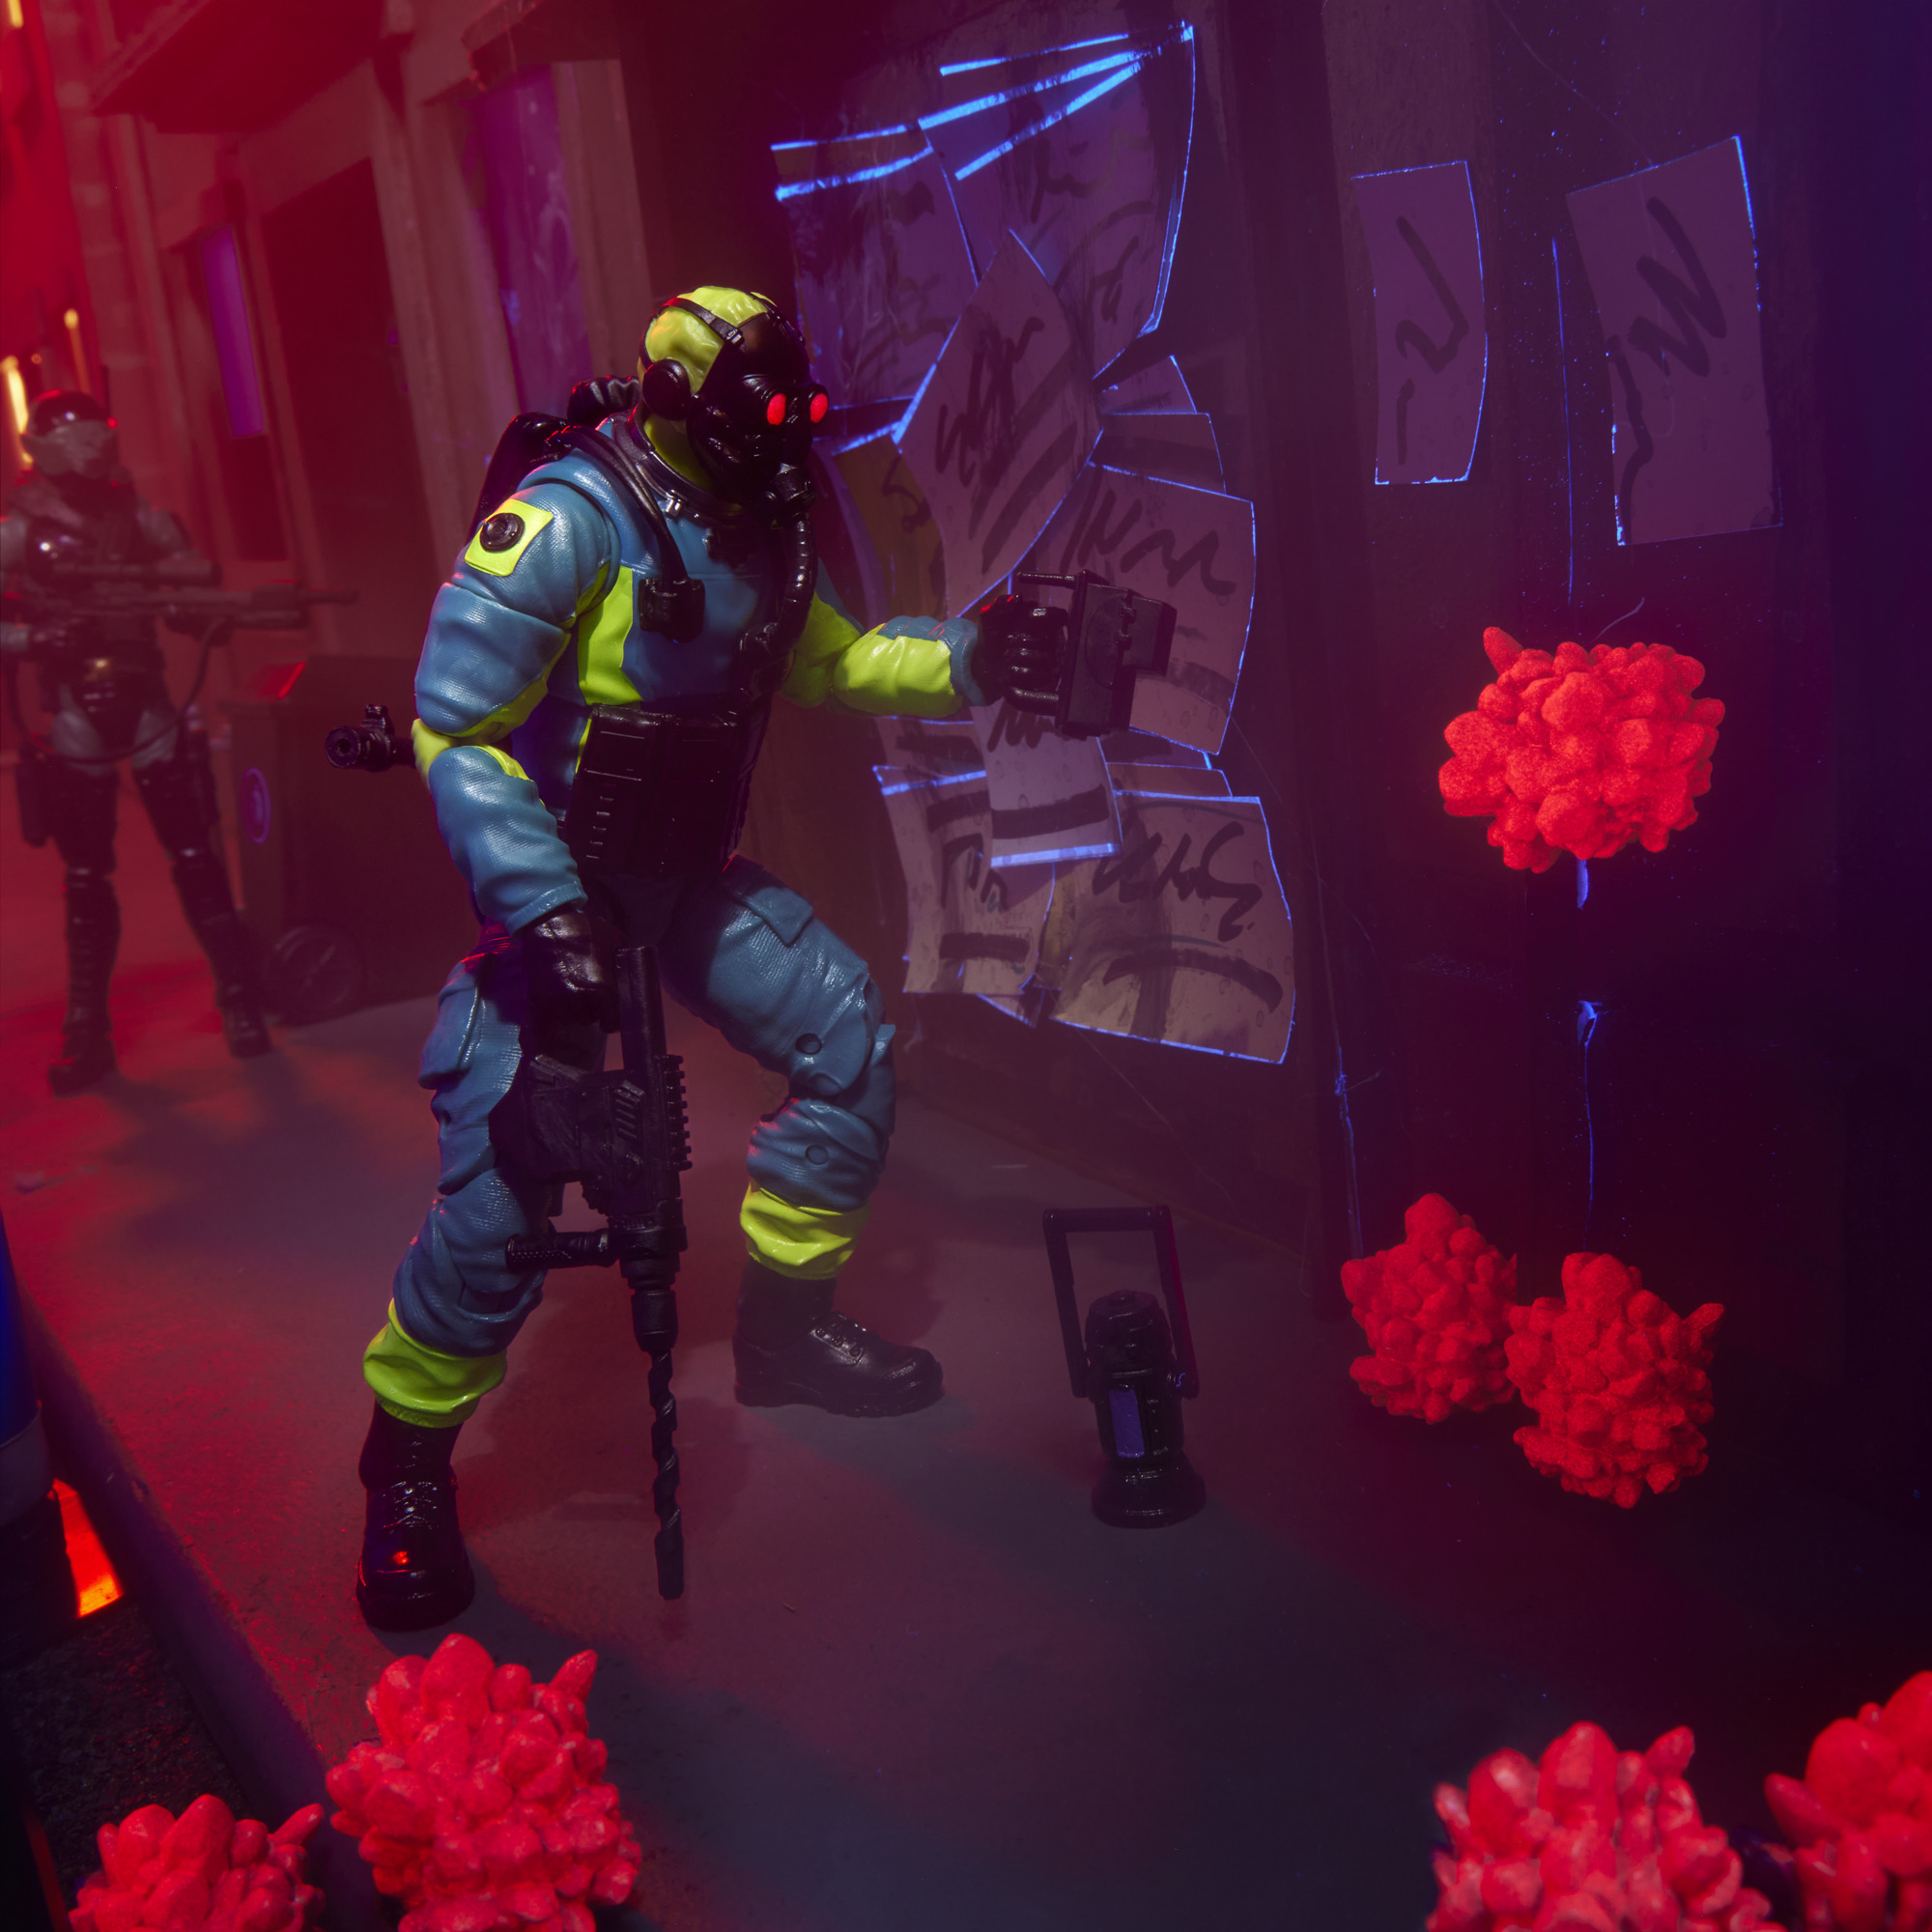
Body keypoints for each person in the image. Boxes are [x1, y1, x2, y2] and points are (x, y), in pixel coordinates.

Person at [355, 286, 1048, 1630]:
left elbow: (834, 663)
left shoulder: (760, 519)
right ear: (679, 407)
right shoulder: (569, 518)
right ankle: (408, 1462)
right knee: (503, 1194)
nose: (781, 457)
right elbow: (457, 725)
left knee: (845, 1044)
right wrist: (543, 906)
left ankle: (786, 1332)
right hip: (558, 902)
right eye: (757, 427)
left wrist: (975, 656)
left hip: (686, 884)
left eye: (792, 429)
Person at [0, 391, 270, 1092]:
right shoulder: (20, 530)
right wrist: (34, 638)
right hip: (74, 711)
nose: (94, 450)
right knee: (85, 878)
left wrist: (193, 615)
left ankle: (240, 1000)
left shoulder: (140, 517)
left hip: (146, 703)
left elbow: (192, 590)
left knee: (195, 856)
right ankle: (86, 1031)